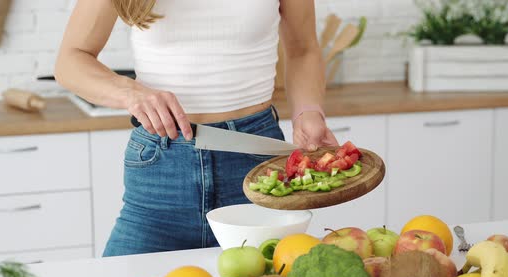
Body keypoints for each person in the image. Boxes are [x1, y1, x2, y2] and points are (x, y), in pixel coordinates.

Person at [55, 0, 338, 257]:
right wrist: (130, 93)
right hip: (160, 170)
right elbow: (71, 59)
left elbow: (303, 49)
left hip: (255, 164)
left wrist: (308, 112)